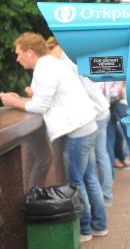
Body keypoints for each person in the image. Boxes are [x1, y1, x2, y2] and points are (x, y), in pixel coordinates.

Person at [0, 32, 108, 242]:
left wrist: (12, 102)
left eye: (18, 53)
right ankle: (100, 225)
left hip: (78, 132)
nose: (17, 58)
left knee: (76, 182)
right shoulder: (52, 63)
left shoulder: (44, 68)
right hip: (87, 125)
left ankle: (84, 230)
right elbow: (49, 96)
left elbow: (41, 106)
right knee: (90, 179)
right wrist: (27, 97)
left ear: (29, 53)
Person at [46, 36, 114, 206]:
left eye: (51, 47)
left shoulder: (66, 64)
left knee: (93, 164)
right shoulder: (76, 58)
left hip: (92, 116)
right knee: (99, 159)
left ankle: (105, 198)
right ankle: (106, 197)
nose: (48, 51)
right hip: (101, 111)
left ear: (58, 46)